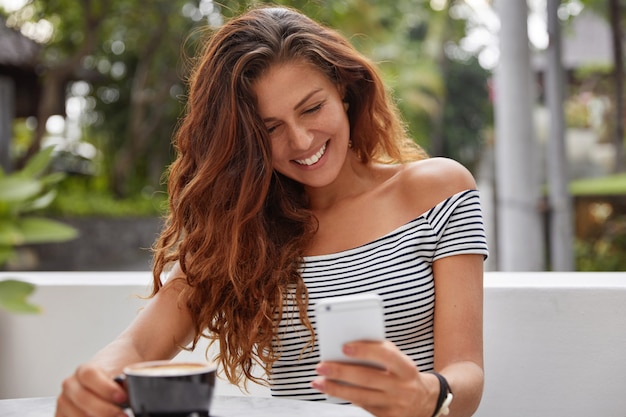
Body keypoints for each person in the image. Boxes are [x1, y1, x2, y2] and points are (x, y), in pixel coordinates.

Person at [55, 5, 488, 417]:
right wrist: (93, 382)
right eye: (270, 129)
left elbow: (466, 373)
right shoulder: (242, 230)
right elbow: (137, 346)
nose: (301, 141)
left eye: (312, 108)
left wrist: (427, 396)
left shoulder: (438, 190)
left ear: (343, 87)